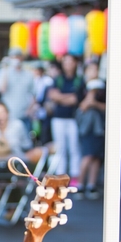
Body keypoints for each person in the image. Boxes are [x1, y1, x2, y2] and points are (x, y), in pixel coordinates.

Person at [48, 54, 84, 183]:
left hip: (72, 119)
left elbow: (76, 99)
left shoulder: (79, 80)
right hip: (58, 118)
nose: (67, 64)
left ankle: (75, 176)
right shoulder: (58, 79)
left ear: (75, 63)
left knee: (74, 147)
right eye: (65, 61)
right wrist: (67, 97)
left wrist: (61, 97)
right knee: (60, 148)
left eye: (70, 61)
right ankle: (60, 177)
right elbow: (53, 95)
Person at [74, 61, 105, 200]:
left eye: (96, 69)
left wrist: (96, 103)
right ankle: (80, 184)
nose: (94, 72)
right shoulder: (82, 86)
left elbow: (107, 106)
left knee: (96, 156)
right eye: (91, 69)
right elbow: (82, 106)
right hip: (85, 127)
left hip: (100, 126)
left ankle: (91, 185)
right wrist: (91, 93)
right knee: (87, 155)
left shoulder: (103, 86)